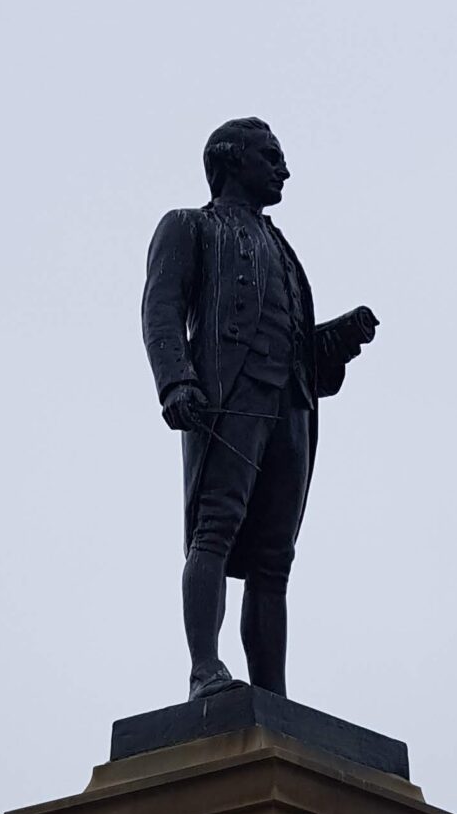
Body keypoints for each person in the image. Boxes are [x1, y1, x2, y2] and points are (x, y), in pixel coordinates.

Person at [142, 119, 378, 699]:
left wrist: (336, 339)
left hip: (290, 405)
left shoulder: (282, 248)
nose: (284, 170)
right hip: (228, 400)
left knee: (275, 562)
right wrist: (175, 382)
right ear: (230, 161)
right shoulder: (189, 226)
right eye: (271, 157)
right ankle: (205, 670)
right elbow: (162, 308)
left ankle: (273, 696)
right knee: (214, 531)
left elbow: (293, 339)